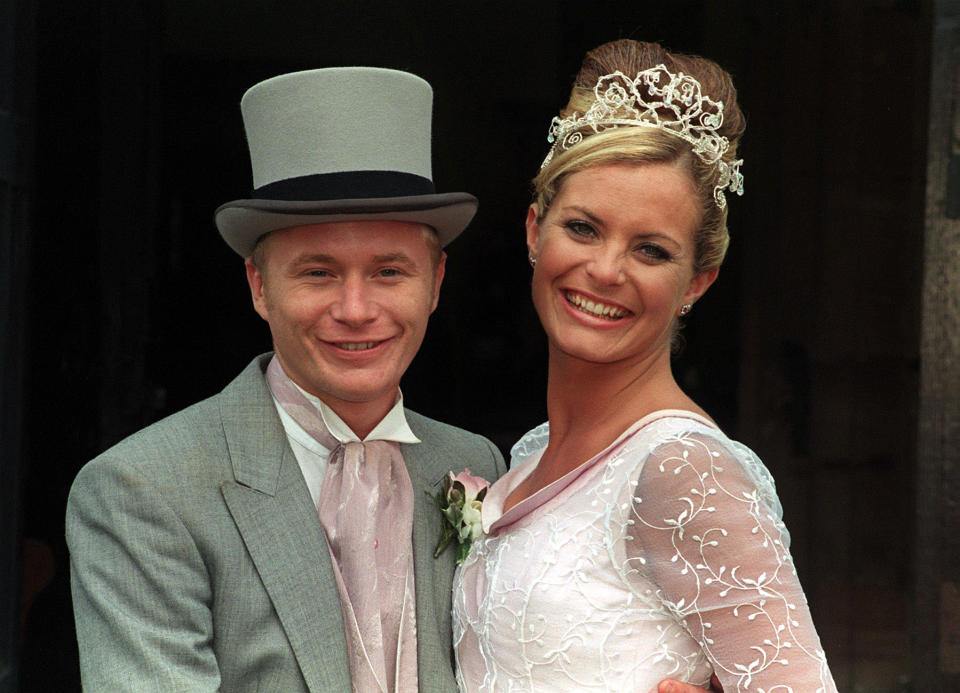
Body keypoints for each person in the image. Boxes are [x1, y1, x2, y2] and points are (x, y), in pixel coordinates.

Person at [65, 67, 507, 692]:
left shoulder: (473, 461)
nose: (356, 309)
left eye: (388, 271)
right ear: (259, 287)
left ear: (434, 284)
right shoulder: (141, 490)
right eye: (318, 273)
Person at [452, 40, 838, 692]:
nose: (605, 269)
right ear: (532, 230)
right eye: (582, 228)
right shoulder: (529, 455)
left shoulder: (683, 468)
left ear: (698, 281)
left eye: (651, 250)